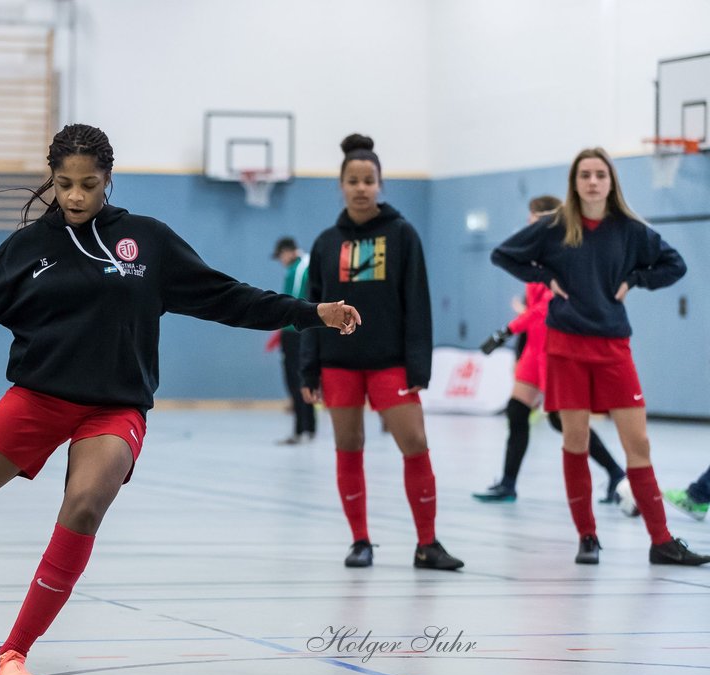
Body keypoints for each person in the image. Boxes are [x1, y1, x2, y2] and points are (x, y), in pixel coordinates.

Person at [0, 124, 361, 675]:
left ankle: (14, 650)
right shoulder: (24, 250)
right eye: (65, 184)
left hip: (115, 408)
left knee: (84, 506)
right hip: (37, 398)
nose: (76, 196)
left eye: (89, 184)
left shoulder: (147, 242)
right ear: (51, 179)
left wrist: (308, 313)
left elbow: (227, 296)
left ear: (109, 180)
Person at [491, 147, 707, 566]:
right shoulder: (554, 227)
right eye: (585, 174)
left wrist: (636, 280)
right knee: (575, 440)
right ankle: (587, 536)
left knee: (638, 443)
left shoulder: (628, 229)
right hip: (565, 347)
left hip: (612, 346)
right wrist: (545, 277)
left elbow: (674, 264)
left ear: (611, 182)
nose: (592, 181)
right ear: (575, 182)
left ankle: (661, 540)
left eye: (600, 175)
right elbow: (504, 254)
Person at [299, 134, 464, 572]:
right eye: (352, 180)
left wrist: (418, 366)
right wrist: (308, 368)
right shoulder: (325, 243)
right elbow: (311, 308)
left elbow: (418, 302)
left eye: (368, 180)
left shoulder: (403, 234)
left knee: (415, 443)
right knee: (348, 445)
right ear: (341, 185)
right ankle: (360, 541)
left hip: (391, 362)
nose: (360, 188)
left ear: (380, 184)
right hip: (338, 363)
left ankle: (427, 543)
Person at [473, 195, 627, 504]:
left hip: (555, 347)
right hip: (534, 349)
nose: (531, 229)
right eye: (530, 223)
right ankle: (508, 483)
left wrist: (507, 330)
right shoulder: (535, 257)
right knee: (517, 411)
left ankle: (615, 473)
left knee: (561, 420)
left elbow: (543, 308)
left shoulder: (563, 256)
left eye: (536, 223)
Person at [264, 237, 315, 445]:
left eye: (281, 256)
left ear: (288, 251)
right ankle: (308, 428)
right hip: (298, 330)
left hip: (295, 332)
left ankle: (300, 430)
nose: (281, 261)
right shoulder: (302, 266)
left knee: (295, 381)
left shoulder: (299, 269)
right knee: (303, 378)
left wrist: (283, 325)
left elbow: (292, 302)